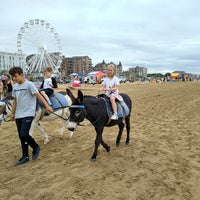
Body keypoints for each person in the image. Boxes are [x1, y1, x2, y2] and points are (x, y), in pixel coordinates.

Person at [9, 67, 53, 166]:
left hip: (28, 113)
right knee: (21, 136)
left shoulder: (29, 85)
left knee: (24, 134)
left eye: (15, 76)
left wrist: (47, 106)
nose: (14, 78)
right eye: (13, 77)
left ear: (21, 74)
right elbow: (15, 101)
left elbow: (39, 96)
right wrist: (12, 113)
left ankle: (35, 146)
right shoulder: (15, 87)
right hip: (19, 114)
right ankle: (25, 156)